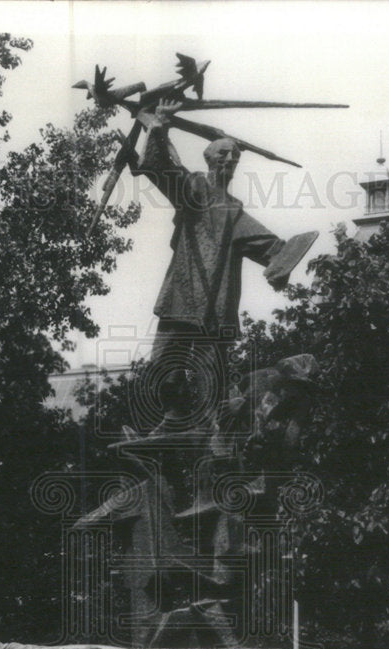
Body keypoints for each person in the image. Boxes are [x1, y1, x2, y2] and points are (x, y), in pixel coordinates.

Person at [132, 100, 294, 432]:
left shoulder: (235, 211)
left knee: (212, 375)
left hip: (217, 305)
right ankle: (173, 419)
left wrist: (282, 266)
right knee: (163, 365)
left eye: (234, 156)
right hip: (181, 296)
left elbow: (269, 247)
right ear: (209, 159)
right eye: (223, 154)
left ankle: (218, 431)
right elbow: (162, 169)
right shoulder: (193, 188)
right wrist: (159, 125)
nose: (230, 160)